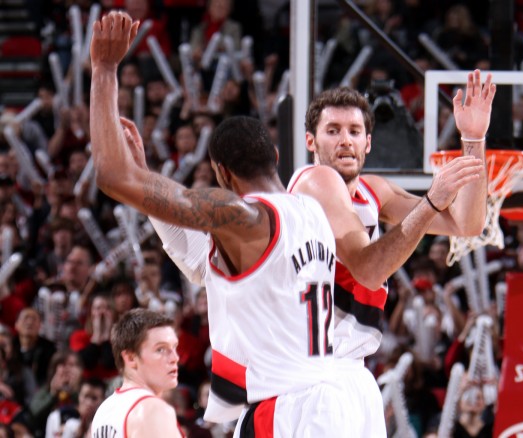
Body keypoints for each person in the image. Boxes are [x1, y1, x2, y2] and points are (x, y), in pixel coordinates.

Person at [90, 11, 348, 436]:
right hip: (326, 403)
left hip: (284, 411)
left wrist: (104, 70)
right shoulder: (312, 213)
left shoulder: (246, 219)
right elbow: (198, 264)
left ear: (222, 174)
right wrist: (150, 183)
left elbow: (112, 177)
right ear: (276, 159)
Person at [286, 73, 495, 435]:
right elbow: (368, 269)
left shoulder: (373, 191)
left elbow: (467, 223)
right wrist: (432, 200)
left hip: (353, 370)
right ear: (311, 141)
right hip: (312, 374)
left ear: (368, 143)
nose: (345, 141)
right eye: (332, 130)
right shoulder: (312, 182)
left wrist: (473, 141)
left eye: (354, 131)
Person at [90, 308, 183, 437]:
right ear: (130, 358)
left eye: (174, 347)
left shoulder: (103, 410)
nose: (175, 358)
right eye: (161, 349)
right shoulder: (153, 409)